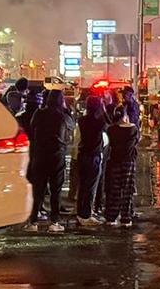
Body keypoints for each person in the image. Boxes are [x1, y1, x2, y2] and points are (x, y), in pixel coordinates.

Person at [26, 90, 76, 232]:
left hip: (40, 155)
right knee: (56, 190)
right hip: (57, 156)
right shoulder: (63, 116)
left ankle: (33, 221)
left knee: (38, 190)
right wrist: (66, 109)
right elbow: (71, 127)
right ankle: (54, 222)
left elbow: (32, 127)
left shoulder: (39, 113)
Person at [104, 103, 140, 227]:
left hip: (114, 160)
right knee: (127, 188)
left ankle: (111, 216)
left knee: (114, 188)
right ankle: (126, 216)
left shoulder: (111, 129)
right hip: (128, 161)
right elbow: (136, 141)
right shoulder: (133, 129)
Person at [75, 95, 109, 226]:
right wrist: (104, 109)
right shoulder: (99, 122)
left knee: (83, 185)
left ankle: (80, 213)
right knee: (91, 187)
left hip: (82, 155)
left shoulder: (82, 120)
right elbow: (109, 125)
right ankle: (86, 214)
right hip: (94, 156)